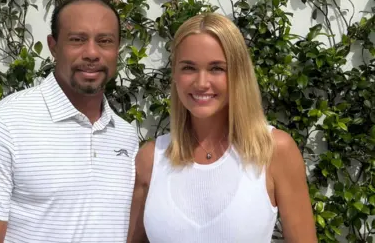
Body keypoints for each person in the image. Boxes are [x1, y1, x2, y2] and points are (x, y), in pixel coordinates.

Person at [0, 0, 139, 243]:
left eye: (104, 41)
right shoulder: (0, 126)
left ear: (117, 49)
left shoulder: (125, 136)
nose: (92, 53)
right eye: (77, 40)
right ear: (53, 46)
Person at [126, 13, 317, 243]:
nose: (201, 82)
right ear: (175, 75)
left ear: (239, 74)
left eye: (217, 68)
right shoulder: (151, 159)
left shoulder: (274, 151)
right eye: (188, 68)